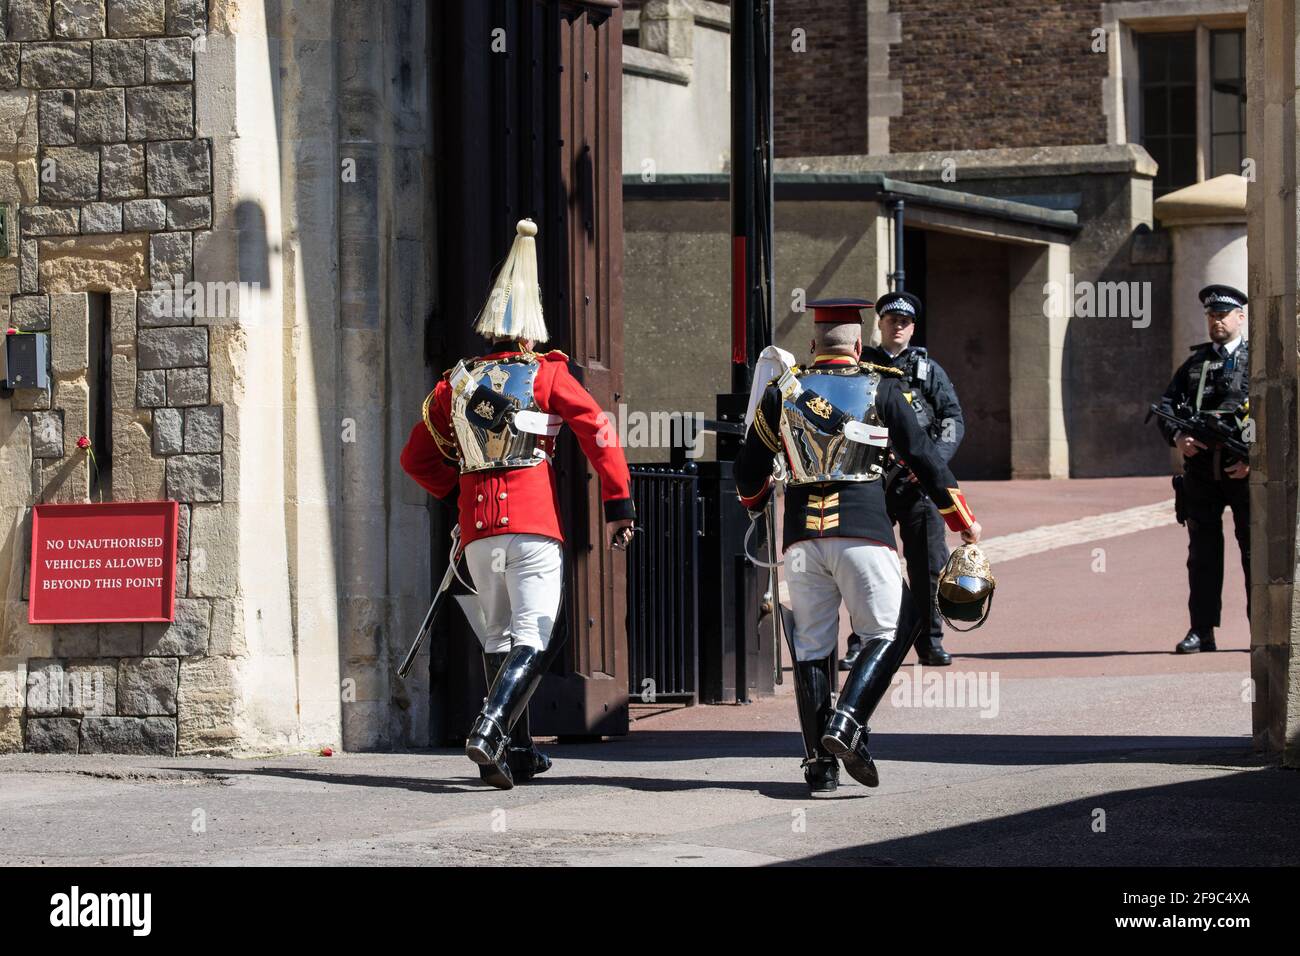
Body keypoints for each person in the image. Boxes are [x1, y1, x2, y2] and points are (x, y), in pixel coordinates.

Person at [400, 219, 636, 789]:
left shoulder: (452, 385)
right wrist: (618, 502)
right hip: (532, 521)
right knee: (538, 634)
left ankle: (517, 750)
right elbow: (598, 431)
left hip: (479, 528)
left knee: (500, 635)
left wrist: (458, 493)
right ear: (530, 335)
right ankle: (489, 728)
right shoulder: (546, 373)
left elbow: (415, 459)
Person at [734, 297, 981, 794]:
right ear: (860, 344)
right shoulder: (884, 387)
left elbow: (748, 471)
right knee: (897, 625)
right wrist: (962, 519)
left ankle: (819, 767)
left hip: (802, 538)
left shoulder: (783, 393)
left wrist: (758, 499)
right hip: (863, 530)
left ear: (813, 345)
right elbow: (924, 458)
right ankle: (846, 722)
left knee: (811, 648)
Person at [860, 290, 966, 667]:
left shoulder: (929, 368)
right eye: (892, 320)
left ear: (912, 327)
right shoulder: (863, 366)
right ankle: (862, 641)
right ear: (881, 323)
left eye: (905, 322)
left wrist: (931, 465)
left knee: (928, 566)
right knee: (866, 562)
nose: (898, 327)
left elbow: (952, 419)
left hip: (919, 484)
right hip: (872, 480)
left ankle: (929, 642)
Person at [1155, 283, 1250, 654]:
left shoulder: (1257, 359)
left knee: (1254, 554)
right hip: (1201, 475)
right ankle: (1202, 630)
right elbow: (1167, 407)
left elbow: (1274, 411)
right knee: (1203, 556)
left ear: (1240, 318)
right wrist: (1178, 437)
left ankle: (1263, 631)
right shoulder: (1195, 364)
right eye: (1212, 315)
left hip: (1242, 473)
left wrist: (1252, 458)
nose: (1217, 321)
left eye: (1224, 315)